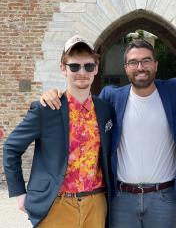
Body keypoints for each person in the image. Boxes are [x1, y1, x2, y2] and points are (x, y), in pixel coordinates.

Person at [40, 39, 176, 228]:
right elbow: (82, 106)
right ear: (126, 68)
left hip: (163, 197)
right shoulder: (111, 97)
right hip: (122, 198)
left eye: (146, 61)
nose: (140, 67)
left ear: (155, 64)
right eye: (133, 62)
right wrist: (55, 94)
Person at [3, 35, 114, 228]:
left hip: (95, 205)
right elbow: (11, 148)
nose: (82, 72)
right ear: (63, 69)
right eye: (74, 66)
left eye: (88, 66)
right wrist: (19, 194)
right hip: (56, 205)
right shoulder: (46, 109)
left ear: (96, 69)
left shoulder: (105, 110)